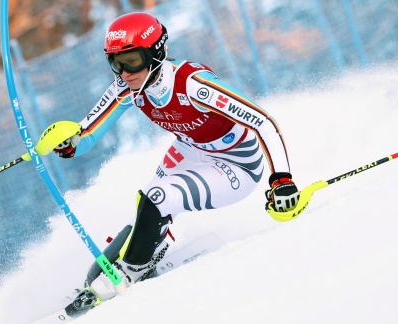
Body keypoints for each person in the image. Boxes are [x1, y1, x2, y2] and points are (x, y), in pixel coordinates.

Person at [52, 11, 299, 314]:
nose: (124, 72)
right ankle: (147, 255)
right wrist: (69, 142)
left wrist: (282, 181)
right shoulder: (128, 87)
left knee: (160, 197)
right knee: (147, 202)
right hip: (191, 149)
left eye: (132, 60)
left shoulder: (193, 85)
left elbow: (263, 122)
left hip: (236, 163)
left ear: (156, 53)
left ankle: (130, 272)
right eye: (115, 63)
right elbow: (87, 132)